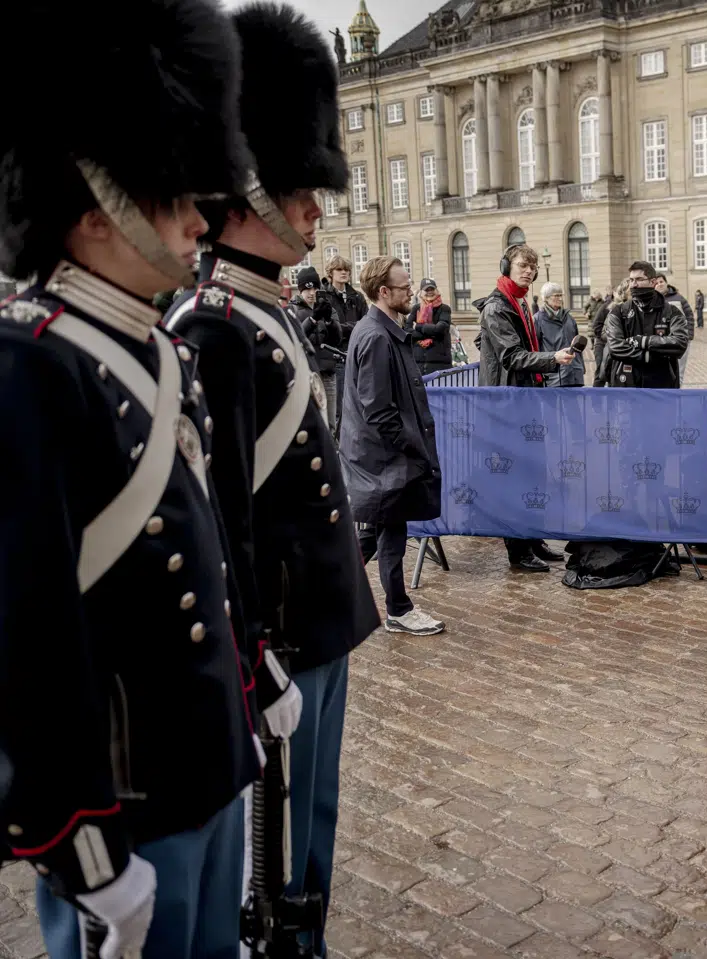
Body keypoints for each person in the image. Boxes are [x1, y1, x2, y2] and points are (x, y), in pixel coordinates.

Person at [0, 2, 262, 956]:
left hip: (200, 753)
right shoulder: (30, 363)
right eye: (170, 196)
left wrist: (241, 689)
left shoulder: (151, 349)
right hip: (121, 798)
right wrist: (76, 837)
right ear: (93, 209)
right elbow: (27, 632)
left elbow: (205, 562)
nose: (200, 219)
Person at [162, 11, 388, 955]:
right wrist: (256, 649)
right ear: (242, 194)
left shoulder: (266, 315)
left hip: (323, 616)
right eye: (296, 191)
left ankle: (308, 934)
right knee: (283, 842)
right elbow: (224, 519)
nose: (313, 211)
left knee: (317, 821)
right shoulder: (212, 326)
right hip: (284, 635)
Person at [342, 255, 446, 634]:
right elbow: (378, 411)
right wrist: (413, 446)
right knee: (389, 531)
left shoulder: (382, 331)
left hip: (383, 457)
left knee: (377, 532)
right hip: (383, 459)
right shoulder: (375, 336)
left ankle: (326, 595)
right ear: (383, 292)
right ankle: (399, 610)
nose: (412, 293)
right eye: (405, 287)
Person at [475, 243, 575, 570]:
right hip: (507, 402)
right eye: (522, 265)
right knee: (514, 477)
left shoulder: (519, 302)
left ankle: (532, 539)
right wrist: (553, 358)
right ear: (507, 266)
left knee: (533, 472)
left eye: (532, 266)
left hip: (525, 395)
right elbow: (512, 356)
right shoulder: (497, 307)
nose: (529, 270)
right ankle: (518, 552)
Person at [604, 262, 690, 389]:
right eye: (631, 280)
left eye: (639, 279)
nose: (634, 284)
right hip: (626, 385)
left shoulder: (672, 312)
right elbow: (616, 347)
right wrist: (648, 356)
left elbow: (679, 343)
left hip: (662, 384)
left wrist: (643, 341)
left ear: (653, 282)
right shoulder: (619, 312)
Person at [314, 255, 366, 428]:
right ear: (331, 273)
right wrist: (351, 326)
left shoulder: (357, 297)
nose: (344, 273)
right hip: (335, 356)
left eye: (346, 270)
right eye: (339, 269)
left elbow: (366, 324)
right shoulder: (324, 297)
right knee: (339, 406)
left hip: (355, 353)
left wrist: (341, 327)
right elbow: (326, 328)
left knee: (359, 402)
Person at [298, 265, 344, 428]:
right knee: (310, 423)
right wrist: (312, 320)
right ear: (300, 291)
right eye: (306, 289)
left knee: (330, 423)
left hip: (327, 373)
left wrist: (330, 321)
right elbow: (298, 337)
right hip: (306, 374)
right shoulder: (293, 310)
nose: (311, 293)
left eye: (315, 288)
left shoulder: (328, 309)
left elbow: (337, 338)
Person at [536, 282, 586, 387]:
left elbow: (577, 345)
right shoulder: (537, 320)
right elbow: (535, 349)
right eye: (556, 295)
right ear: (546, 298)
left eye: (561, 295)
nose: (560, 298)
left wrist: (581, 367)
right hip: (554, 378)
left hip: (575, 375)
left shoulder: (570, 318)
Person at [411, 277, 453, 377]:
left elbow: (440, 329)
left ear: (436, 290)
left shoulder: (444, 309)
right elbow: (408, 333)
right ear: (421, 292)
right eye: (426, 290)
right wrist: (431, 332)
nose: (430, 292)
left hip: (441, 365)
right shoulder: (416, 309)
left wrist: (418, 326)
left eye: (432, 289)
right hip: (419, 365)